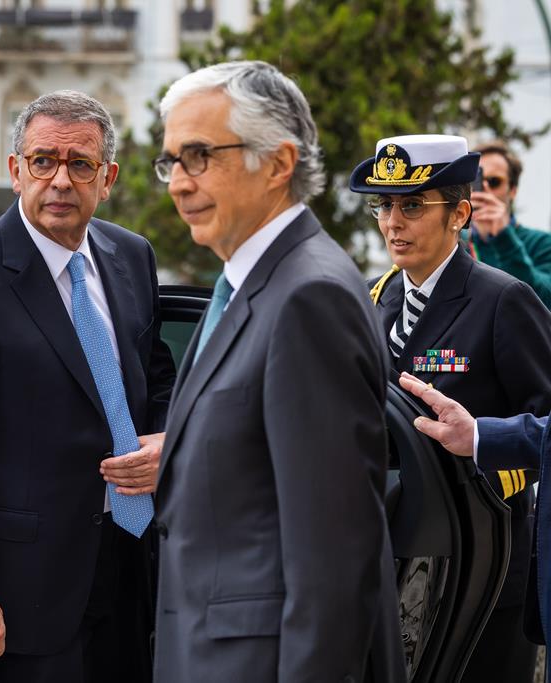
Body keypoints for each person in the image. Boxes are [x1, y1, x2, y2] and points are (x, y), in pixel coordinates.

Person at [0, 89, 176, 682]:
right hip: (18, 593)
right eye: (43, 160)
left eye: (80, 164)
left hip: (131, 560)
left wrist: (167, 444)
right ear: (15, 170)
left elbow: (157, 380)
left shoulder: (132, 256)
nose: (60, 180)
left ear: (108, 179)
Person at [151, 61, 405, 682]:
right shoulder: (252, 283)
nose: (178, 184)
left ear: (278, 163)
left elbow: (334, 559)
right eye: (170, 161)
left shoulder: (308, 298)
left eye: (199, 156)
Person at [355, 134, 551, 683]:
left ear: (459, 214)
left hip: (483, 562)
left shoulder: (502, 299)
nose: (393, 222)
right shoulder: (371, 299)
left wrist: (480, 474)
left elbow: (546, 424)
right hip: (391, 560)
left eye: (413, 206)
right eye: (384, 205)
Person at [397, 373, 550, 681]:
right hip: (418, 560)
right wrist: (478, 434)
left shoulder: (510, 334)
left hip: (485, 557)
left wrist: (473, 491)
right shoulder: (388, 337)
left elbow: (541, 411)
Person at [465, 140, 551, 309]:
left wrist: (504, 238)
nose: (485, 188)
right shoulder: (455, 243)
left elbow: (543, 300)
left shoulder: (542, 243)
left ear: (513, 190)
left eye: (494, 181)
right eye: (476, 180)